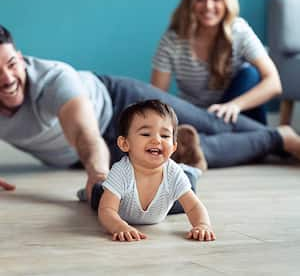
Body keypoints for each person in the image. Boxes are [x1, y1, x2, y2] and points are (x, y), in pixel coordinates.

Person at [1, 24, 300, 202]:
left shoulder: (54, 78)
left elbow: (83, 135)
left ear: (20, 56)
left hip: (118, 102)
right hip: (101, 148)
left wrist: (98, 174)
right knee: (189, 149)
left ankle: (282, 138)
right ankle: (276, 139)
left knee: (208, 121)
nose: (8, 78)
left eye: (12, 63)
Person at [151, 0, 282, 125]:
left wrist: (235, 105)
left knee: (249, 74)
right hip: (195, 116)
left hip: (231, 112)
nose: (208, 6)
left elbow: (274, 84)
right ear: (190, 1)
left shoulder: (238, 30)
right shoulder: (173, 40)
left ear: (227, 1)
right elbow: (157, 96)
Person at [91, 99, 216, 242]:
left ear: (174, 147)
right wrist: (120, 226)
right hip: (122, 200)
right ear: (125, 143)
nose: (157, 140)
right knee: (97, 196)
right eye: (146, 134)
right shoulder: (121, 172)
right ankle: (91, 188)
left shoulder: (172, 173)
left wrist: (203, 225)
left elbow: (194, 206)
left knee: (188, 187)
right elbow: (107, 210)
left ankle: (193, 167)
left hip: (163, 204)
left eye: (165, 136)